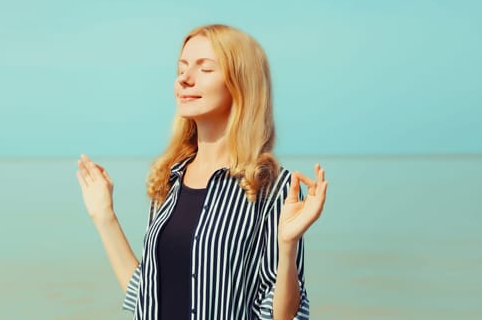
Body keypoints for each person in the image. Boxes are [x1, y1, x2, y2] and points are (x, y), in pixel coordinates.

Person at [76, 23, 328, 320]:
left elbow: (282, 316)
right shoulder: (169, 178)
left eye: (204, 69)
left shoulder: (273, 187)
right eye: (181, 68)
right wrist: (105, 216)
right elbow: (146, 295)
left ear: (240, 84)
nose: (184, 78)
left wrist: (287, 247)